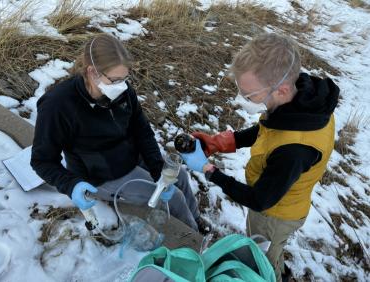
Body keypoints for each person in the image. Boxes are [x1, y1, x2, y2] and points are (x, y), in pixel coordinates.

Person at [180, 33, 339, 281]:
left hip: (275, 214)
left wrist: (210, 171)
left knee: (262, 258)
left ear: (282, 89)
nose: (242, 100)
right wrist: (221, 142)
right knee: (272, 248)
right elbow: (269, 131)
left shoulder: (294, 151)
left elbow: (259, 200)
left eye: (249, 95)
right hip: (279, 197)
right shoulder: (305, 106)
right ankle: (277, 262)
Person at [31, 34, 199, 231]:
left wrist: (156, 168)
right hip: (102, 175)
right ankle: (194, 240)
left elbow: (142, 131)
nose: (122, 85)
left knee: (181, 179)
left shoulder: (122, 91)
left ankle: (197, 223)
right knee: (176, 199)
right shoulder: (58, 105)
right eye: (115, 80)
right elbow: (42, 160)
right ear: (92, 72)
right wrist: (71, 185)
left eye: (125, 78)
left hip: (130, 155)